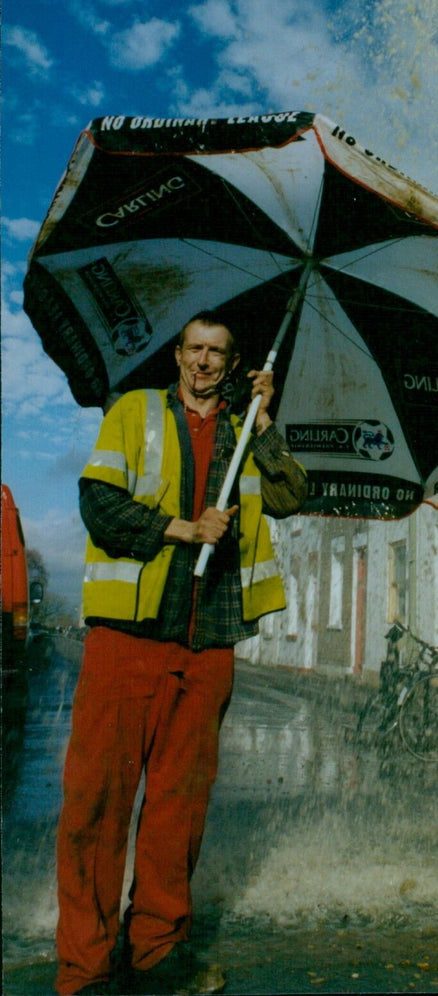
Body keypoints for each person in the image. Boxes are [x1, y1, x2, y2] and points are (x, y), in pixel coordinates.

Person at [55, 312, 307, 996]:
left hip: (208, 640)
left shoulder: (243, 426)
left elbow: (291, 496)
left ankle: (156, 952)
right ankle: (85, 965)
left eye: (217, 352)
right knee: (95, 804)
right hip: (127, 639)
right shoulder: (133, 412)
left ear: (234, 363)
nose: (203, 361)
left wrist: (265, 425)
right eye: (194, 349)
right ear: (177, 355)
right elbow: (98, 504)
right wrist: (183, 529)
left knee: (179, 808)